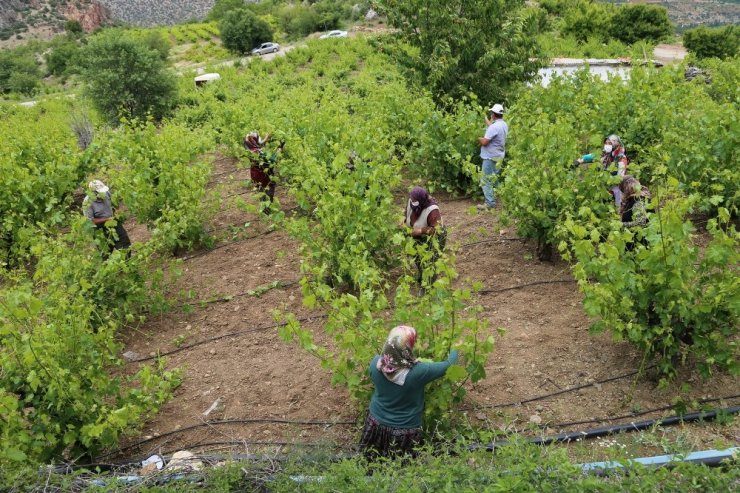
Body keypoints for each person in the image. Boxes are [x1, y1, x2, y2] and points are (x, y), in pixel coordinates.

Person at [359, 325, 459, 460]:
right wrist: (456, 347)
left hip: (375, 422)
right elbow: (449, 365)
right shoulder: (417, 373)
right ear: (407, 348)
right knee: (401, 468)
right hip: (403, 431)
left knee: (370, 460)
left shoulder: (376, 363)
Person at [404, 187, 446, 289]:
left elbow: (436, 229)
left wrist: (420, 231)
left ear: (421, 199)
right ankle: (422, 277)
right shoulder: (412, 201)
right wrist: (403, 220)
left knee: (430, 261)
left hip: (434, 237)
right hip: (417, 236)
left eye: (415, 200)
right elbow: (406, 212)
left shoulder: (432, 210)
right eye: (412, 200)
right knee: (418, 257)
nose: (413, 202)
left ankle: (427, 287)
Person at [576, 134, 629, 207]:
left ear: (616, 144)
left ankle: (619, 210)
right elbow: (593, 155)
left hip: (615, 183)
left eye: (610, 143)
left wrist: (607, 181)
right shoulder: (607, 153)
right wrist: (580, 160)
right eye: (606, 143)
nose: (607, 145)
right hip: (604, 180)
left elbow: (620, 178)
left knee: (617, 192)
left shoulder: (621, 158)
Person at [83, 180, 131, 255]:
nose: (103, 193)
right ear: (93, 192)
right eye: (99, 192)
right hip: (100, 229)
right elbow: (90, 221)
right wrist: (106, 219)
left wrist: (116, 211)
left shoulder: (107, 193)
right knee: (105, 252)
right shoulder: (87, 203)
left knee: (124, 244)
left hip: (112, 222)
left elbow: (112, 204)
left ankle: (126, 264)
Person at [477, 103, 508, 210]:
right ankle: (506, 199)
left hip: (490, 157)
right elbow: (493, 129)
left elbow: (485, 142)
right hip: (498, 156)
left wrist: (478, 138)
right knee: (494, 178)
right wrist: (486, 120)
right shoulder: (503, 125)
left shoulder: (494, 127)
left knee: (486, 179)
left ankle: (489, 203)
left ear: (494, 114)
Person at [244, 131, 283, 204]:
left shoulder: (250, 151)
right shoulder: (258, 153)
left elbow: (260, 144)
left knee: (261, 193)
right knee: (268, 193)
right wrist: (279, 150)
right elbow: (271, 162)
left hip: (256, 177)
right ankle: (267, 209)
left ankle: (264, 206)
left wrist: (267, 139)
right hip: (265, 178)